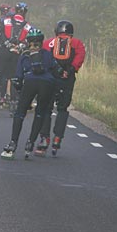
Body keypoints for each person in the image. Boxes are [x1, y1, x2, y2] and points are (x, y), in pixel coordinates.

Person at [1, 29, 57, 160]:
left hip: (30, 83)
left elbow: (18, 77)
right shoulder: (48, 54)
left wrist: (20, 91)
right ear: (41, 42)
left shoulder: (24, 55)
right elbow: (56, 71)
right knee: (39, 114)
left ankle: (13, 143)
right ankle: (30, 142)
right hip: (47, 85)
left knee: (20, 113)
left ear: (28, 42)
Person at [35, 20, 86, 156]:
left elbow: (43, 58)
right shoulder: (77, 43)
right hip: (67, 80)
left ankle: (44, 139)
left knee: (46, 108)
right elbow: (80, 58)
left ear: (57, 31)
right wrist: (69, 70)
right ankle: (57, 138)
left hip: (50, 78)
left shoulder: (48, 43)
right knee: (62, 109)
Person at [0, 10, 33, 115]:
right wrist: (21, 46)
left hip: (5, 51)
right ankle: (13, 102)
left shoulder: (6, 20)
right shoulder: (28, 26)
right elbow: (31, 39)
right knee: (14, 77)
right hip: (17, 52)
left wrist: (6, 43)